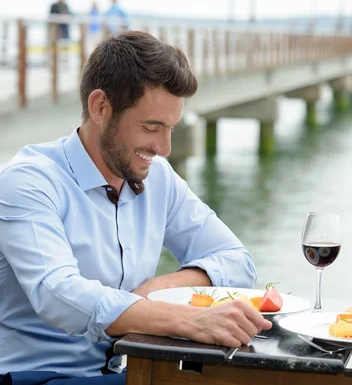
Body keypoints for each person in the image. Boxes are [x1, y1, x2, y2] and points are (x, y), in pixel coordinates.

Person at [0, 31, 271, 385]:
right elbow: (58, 295)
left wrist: (156, 289)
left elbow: (237, 261)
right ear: (100, 107)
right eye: (151, 127)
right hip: (40, 377)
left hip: (130, 372)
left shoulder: (159, 178)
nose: (165, 147)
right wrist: (185, 319)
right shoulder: (28, 181)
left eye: (171, 128)